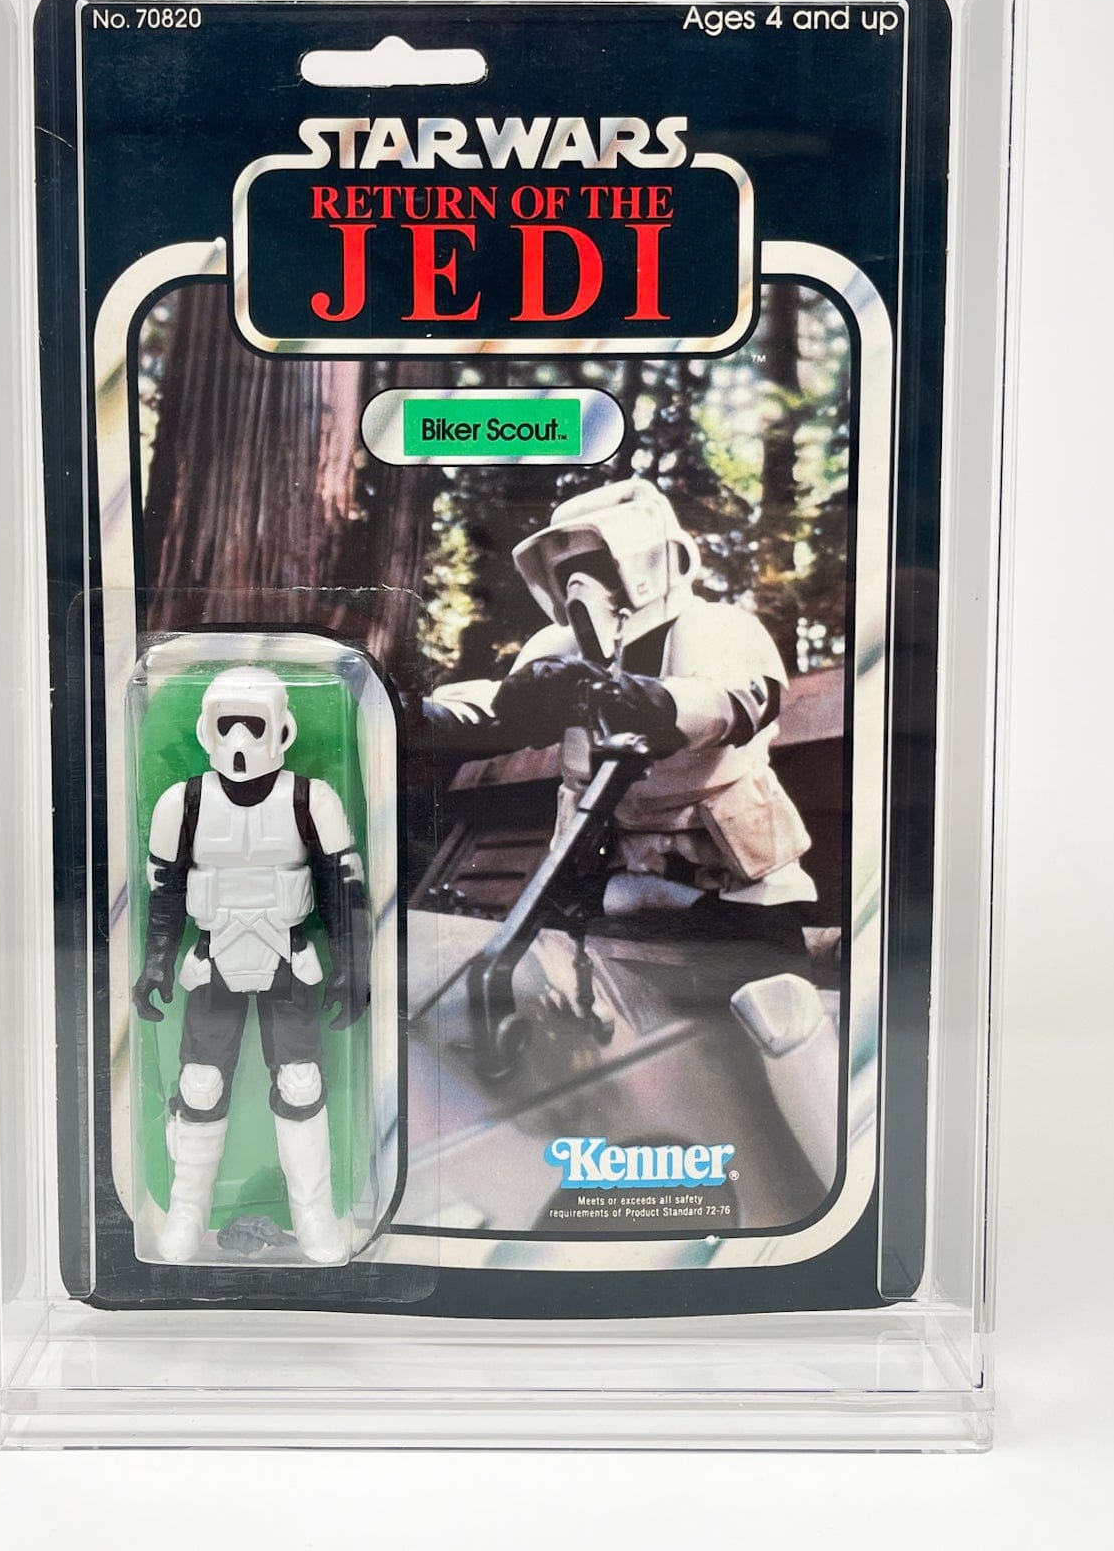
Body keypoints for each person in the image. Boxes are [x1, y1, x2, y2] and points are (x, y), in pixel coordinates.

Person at [426, 479, 816, 1000]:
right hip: (616, 890)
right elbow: (501, 712)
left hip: (739, 894)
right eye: (566, 573)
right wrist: (422, 717)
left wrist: (621, 696)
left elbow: (732, 707)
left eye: (597, 566)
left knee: (771, 1022)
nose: (580, 587)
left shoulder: (717, 628)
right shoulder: (560, 649)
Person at [132, 666, 368, 1264]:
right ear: (206, 731)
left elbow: (342, 886)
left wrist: (352, 963)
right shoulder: (182, 804)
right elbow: (163, 891)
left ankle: (313, 1214)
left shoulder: (311, 801)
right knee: (200, 1083)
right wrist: (157, 962)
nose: (239, 739)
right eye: (227, 723)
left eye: (252, 723)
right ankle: (187, 1211)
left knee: (301, 1081)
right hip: (214, 960)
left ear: (281, 730)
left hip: (288, 958)